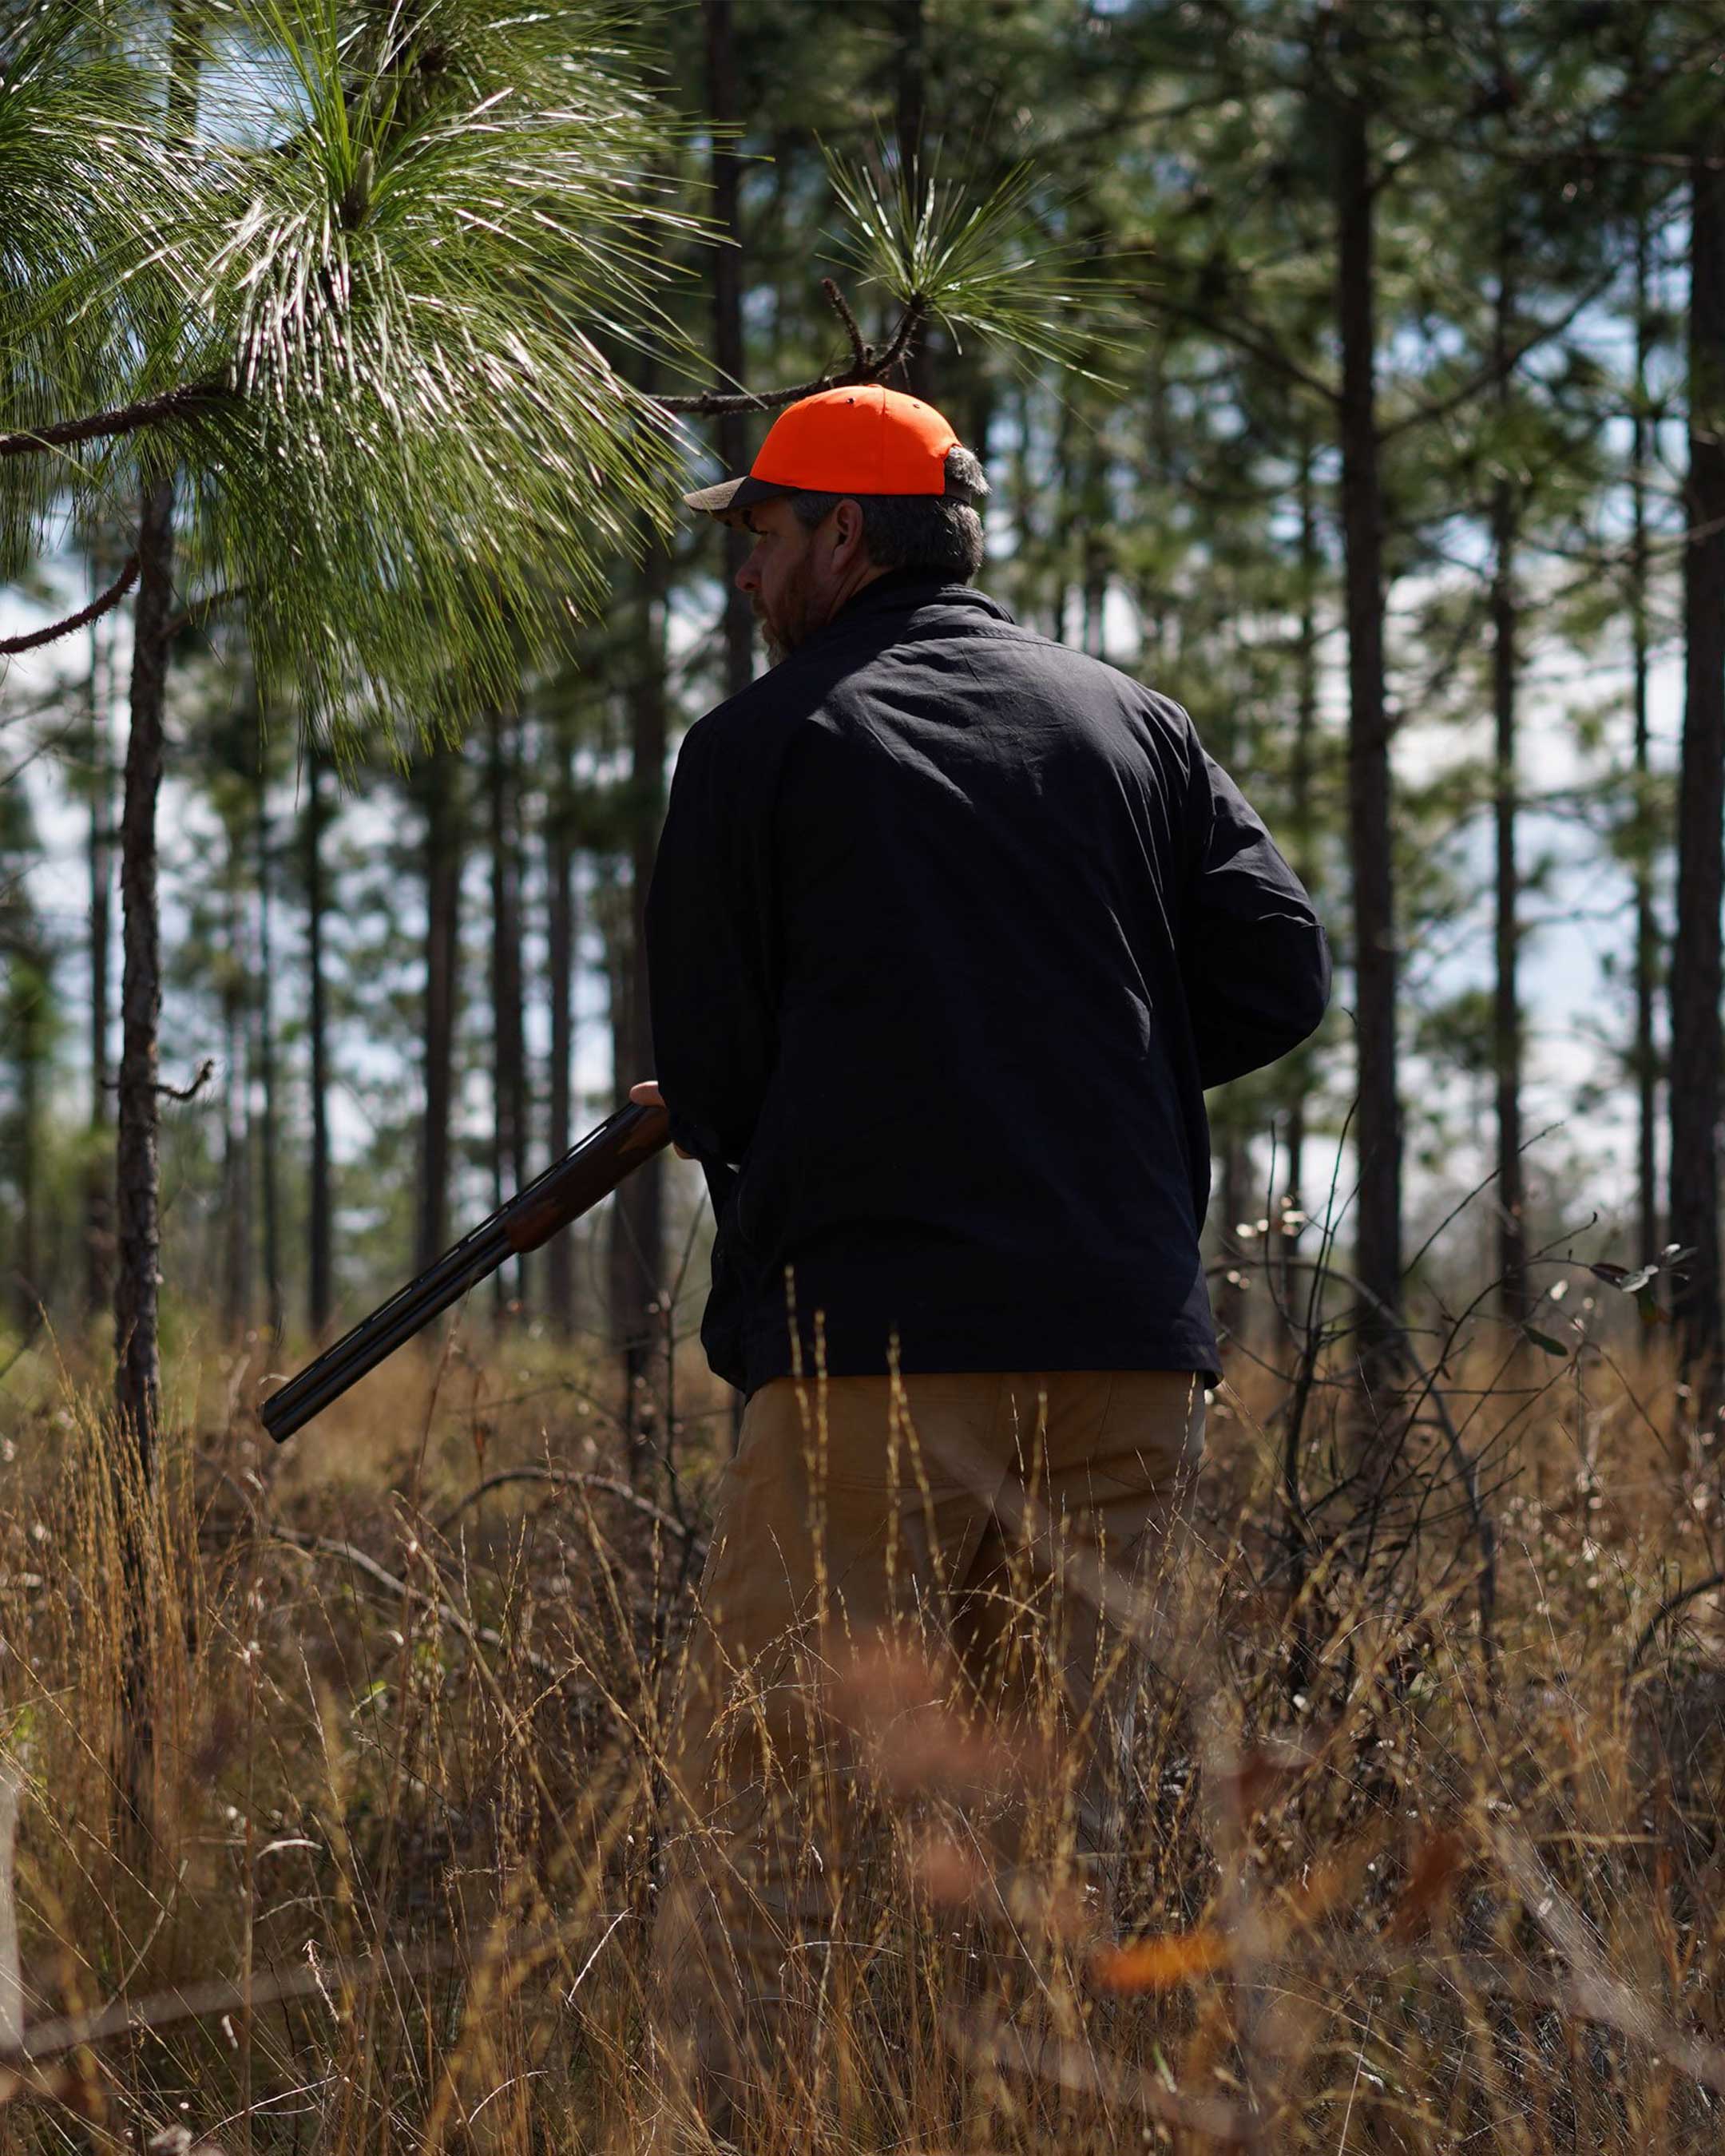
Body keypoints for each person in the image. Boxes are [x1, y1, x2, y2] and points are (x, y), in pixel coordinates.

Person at [632, 382, 1329, 2129]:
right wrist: (1068, 1075)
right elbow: (1278, 973)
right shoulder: (1135, 725)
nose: (746, 578)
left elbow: (715, 1077)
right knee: (1042, 1823)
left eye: (765, 535)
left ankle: (757, 2124)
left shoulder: (759, 744)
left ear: (845, 536)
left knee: (781, 1807)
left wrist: (858, 1096)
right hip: (1123, 1354)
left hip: (876, 1350)